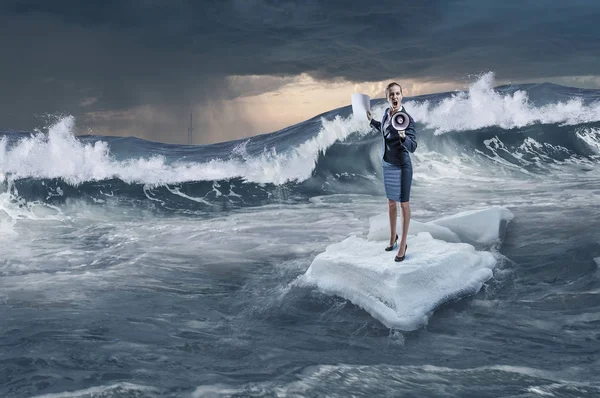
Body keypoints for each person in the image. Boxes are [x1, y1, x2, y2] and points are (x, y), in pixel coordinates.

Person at [367, 82, 417, 262]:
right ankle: (392, 237)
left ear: (402, 96)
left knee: (403, 205)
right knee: (390, 203)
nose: (394, 97)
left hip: (403, 166)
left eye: (397, 94)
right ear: (387, 98)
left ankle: (403, 243)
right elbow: (384, 129)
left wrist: (404, 136)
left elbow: (413, 147)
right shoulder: (386, 114)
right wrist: (371, 120)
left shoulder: (407, 119)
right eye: (391, 95)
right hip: (388, 164)